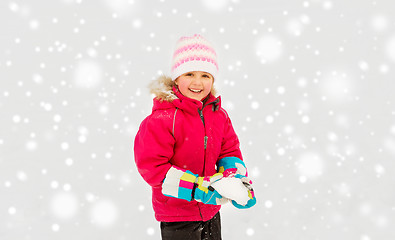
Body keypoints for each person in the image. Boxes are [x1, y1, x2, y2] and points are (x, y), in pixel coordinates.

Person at [134, 34, 256, 240]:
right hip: (177, 215)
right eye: (189, 74)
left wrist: (235, 179)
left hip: (210, 212)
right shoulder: (162, 119)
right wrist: (197, 189)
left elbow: (229, 150)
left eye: (205, 75)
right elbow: (153, 168)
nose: (197, 82)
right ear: (176, 78)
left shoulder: (219, 115)